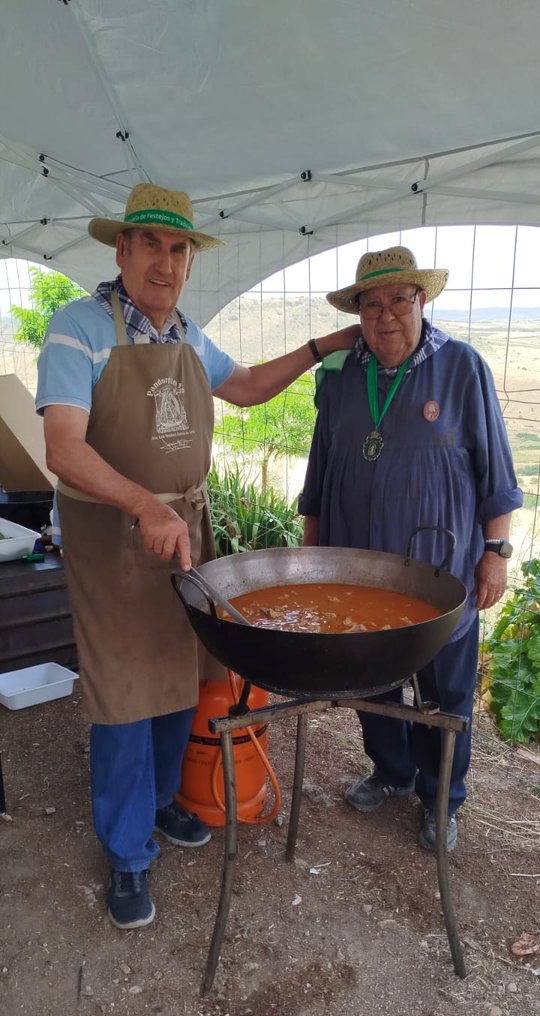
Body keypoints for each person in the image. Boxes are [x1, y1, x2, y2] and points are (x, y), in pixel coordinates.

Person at [36, 183, 359, 929]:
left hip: (185, 533)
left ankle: (156, 809)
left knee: (181, 675)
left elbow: (243, 388)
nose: (166, 261)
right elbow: (63, 448)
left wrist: (319, 348)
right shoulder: (77, 328)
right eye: (150, 244)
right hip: (113, 542)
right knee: (123, 692)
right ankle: (124, 855)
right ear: (120, 250)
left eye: (178, 248)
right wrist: (145, 505)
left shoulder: (185, 333)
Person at [298, 246, 522, 852]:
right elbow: (320, 471)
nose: (386, 313)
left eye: (400, 298)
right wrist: (311, 551)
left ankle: (441, 796)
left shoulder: (462, 368)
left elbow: (494, 469)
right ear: (358, 313)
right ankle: (390, 772)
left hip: (440, 570)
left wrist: (495, 551)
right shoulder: (343, 378)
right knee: (372, 680)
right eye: (372, 302)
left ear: (422, 301)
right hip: (356, 570)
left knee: (444, 688)